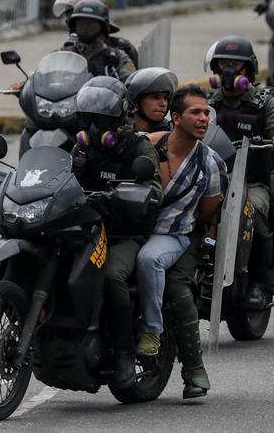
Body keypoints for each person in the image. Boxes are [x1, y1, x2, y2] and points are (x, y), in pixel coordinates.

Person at [133, 84, 226, 400]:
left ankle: (186, 362)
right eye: (195, 112)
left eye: (206, 113)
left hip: (177, 236)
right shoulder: (148, 146)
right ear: (175, 118)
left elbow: (207, 212)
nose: (203, 119)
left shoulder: (209, 163)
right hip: (133, 233)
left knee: (172, 283)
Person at [70, 76, 161, 388]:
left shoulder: (139, 146)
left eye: (103, 120)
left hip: (124, 234)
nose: (95, 129)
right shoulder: (81, 147)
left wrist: (127, 195)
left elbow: (154, 191)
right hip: (84, 229)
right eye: (90, 120)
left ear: (120, 118)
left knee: (111, 277)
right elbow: (57, 177)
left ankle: (123, 351)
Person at [206, 36, 274, 305]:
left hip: (253, 180)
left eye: (236, 65)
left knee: (254, 212)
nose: (229, 71)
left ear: (250, 71)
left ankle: (260, 280)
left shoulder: (264, 103)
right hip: (215, 180)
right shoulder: (208, 105)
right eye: (223, 65)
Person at [52, 0, 139, 67]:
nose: (85, 26)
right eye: (79, 21)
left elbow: (135, 79)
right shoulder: (65, 53)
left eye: (90, 21)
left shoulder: (121, 50)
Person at [62, 0, 136, 81]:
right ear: (73, 26)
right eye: (81, 23)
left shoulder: (116, 57)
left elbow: (131, 84)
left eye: (92, 24)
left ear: (102, 27)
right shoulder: (62, 55)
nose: (86, 28)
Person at [125, 67, 177, 133]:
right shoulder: (120, 134)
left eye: (166, 98)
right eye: (155, 97)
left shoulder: (173, 136)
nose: (163, 104)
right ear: (136, 101)